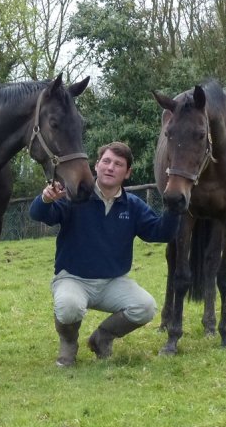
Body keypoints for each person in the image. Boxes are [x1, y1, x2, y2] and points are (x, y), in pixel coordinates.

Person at [29, 141, 180, 367]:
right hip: (73, 279)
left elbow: (160, 233)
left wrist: (174, 207)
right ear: (96, 166)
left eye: (118, 164)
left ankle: (102, 338)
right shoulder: (74, 196)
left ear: (127, 173)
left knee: (146, 307)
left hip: (112, 282)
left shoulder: (133, 206)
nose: (110, 167)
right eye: (106, 161)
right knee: (69, 307)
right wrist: (45, 200)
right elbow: (39, 215)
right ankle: (69, 343)